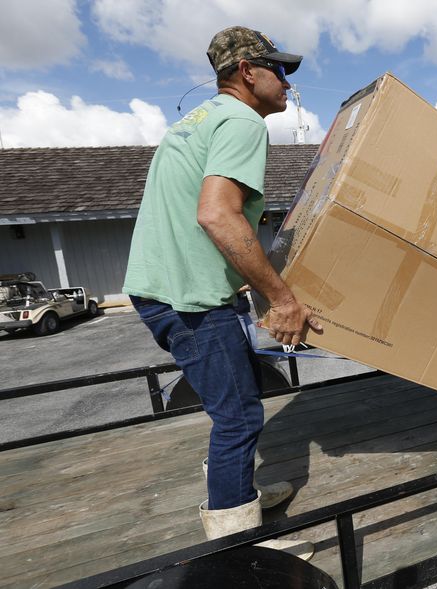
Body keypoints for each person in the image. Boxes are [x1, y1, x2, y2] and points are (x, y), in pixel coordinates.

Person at [123, 26, 322, 553]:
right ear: (245, 73)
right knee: (238, 417)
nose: (286, 83)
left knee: (234, 404)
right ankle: (237, 552)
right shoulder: (241, 120)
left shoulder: (195, 120)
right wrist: (283, 299)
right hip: (188, 301)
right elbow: (217, 215)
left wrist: (252, 288)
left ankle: (238, 494)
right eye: (278, 71)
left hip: (165, 290)